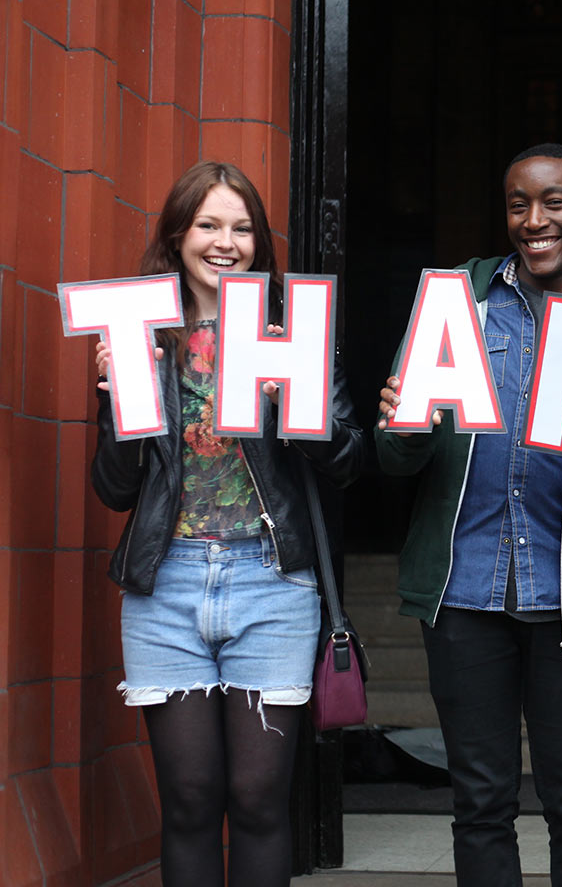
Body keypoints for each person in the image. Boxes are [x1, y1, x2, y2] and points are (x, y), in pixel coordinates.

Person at [375, 143, 562, 887]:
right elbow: (395, 461)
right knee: (482, 804)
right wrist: (398, 425)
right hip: (463, 595)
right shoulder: (453, 305)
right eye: (518, 204)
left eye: (554, 202)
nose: (534, 221)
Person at [90, 161, 364, 886]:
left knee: (257, 799)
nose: (225, 242)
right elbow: (114, 490)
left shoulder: (291, 331)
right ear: (178, 234)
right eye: (209, 225)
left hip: (272, 585)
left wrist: (288, 396)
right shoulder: (140, 335)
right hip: (166, 587)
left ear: (259, 242)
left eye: (242, 228)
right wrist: (121, 396)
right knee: (186, 801)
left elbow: (348, 457)